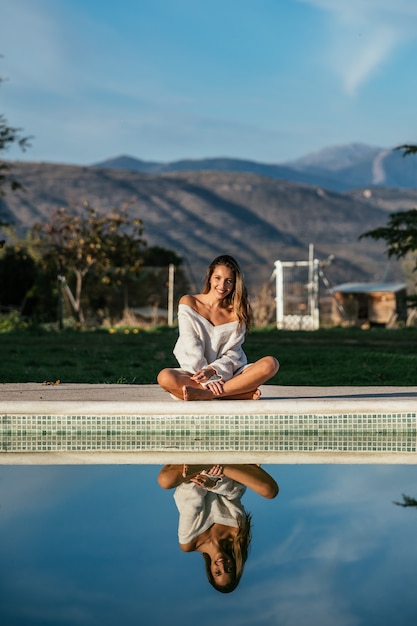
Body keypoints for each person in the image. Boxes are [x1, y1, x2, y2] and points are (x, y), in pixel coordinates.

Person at [157, 254, 279, 400]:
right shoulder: (189, 303)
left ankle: (207, 395)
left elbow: (233, 353)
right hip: (196, 374)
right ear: (210, 277)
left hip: (231, 374)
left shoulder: (237, 311)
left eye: (229, 281)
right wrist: (207, 377)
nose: (222, 286)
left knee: (271, 364)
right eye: (218, 278)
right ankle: (234, 393)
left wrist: (213, 370)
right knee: (165, 377)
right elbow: (190, 345)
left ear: (235, 284)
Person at [158, 464, 279, 593]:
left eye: (218, 572)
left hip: (193, 474)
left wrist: (205, 475)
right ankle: (215, 463)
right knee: (269, 491)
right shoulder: (237, 534)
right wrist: (213, 484)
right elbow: (234, 494)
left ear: (210, 571)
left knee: (165, 481)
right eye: (229, 569)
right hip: (225, 471)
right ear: (235, 565)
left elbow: (189, 502)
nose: (222, 565)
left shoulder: (189, 543)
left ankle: (208, 463)